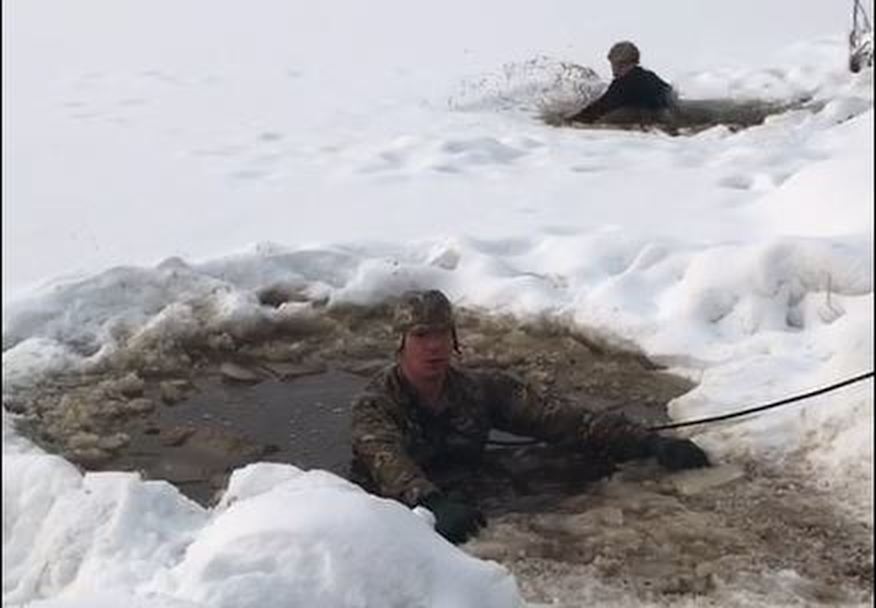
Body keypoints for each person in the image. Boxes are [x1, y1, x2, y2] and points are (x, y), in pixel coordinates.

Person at [351, 290, 709, 544]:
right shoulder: (376, 404)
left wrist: (646, 441)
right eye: (421, 335)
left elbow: (563, 419)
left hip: (466, 493)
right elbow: (386, 461)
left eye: (442, 333)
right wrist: (429, 502)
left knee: (578, 463)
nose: (434, 345)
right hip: (400, 516)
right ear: (400, 342)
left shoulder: (479, 388)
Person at [568, 41, 676, 125]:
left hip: (657, 118)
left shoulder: (625, 83)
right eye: (614, 65)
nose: (615, 69)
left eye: (620, 65)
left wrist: (570, 121)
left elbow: (600, 108)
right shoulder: (649, 75)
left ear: (631, 63)